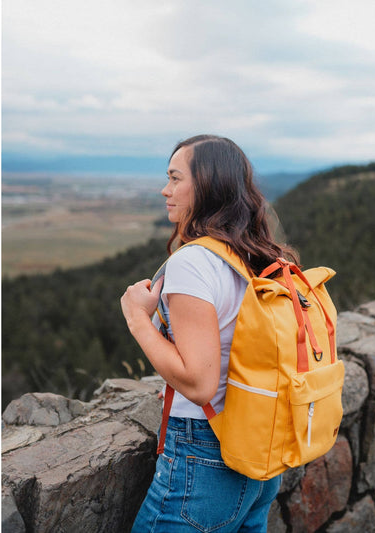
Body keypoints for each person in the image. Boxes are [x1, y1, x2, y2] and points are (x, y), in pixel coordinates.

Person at [120, 134, 298, 532]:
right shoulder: (260, 253)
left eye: (175, 178)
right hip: (259, 445)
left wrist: (136, 319)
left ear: (208, 185)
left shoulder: (194, 262)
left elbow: (199, 384)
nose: (164, 190)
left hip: (205, 452)